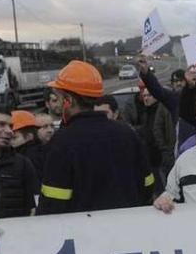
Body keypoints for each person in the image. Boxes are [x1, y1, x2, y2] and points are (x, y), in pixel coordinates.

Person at [38, 60, 155, 214]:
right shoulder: (127, 133)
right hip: (128, 229)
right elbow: (148, 185)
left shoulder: (62, 142)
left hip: (83, 234)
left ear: (69, 100)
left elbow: (52, 204)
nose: (59, 105)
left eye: (59, 98)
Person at [10, 109, 47, 176]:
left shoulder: (27, 158)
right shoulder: (44, 151)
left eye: (14, 138)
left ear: (29, 137)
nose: (10, 142)